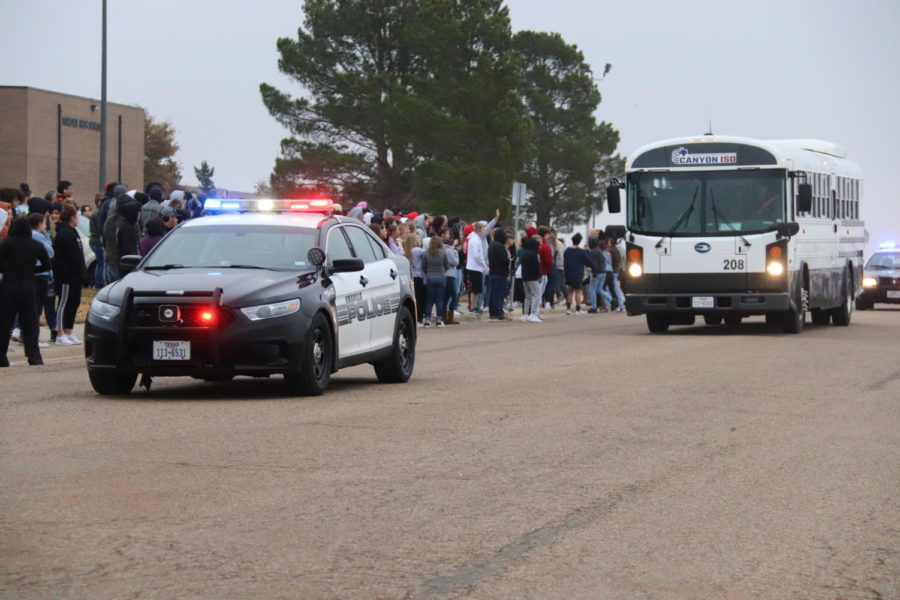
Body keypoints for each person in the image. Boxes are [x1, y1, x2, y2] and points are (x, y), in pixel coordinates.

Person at [0, 217, 52, 366]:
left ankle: (1, 357)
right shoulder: (36, 245)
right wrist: (33, 270)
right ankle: (34, 357)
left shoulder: (6, 244)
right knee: (30, 322)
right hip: (28, 285)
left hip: (8, 285)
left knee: (5, 322)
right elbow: (47, 265)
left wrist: (8, 270)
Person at [53, 205, 86, 346]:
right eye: (76, 216)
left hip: (75, 276)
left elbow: (78, 254)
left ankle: (69, 330)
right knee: (64, 303)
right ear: (72, 217)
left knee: (74, 302)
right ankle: (59, 333)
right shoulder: (64, 233)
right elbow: (70, 256)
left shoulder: (73, 232)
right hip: (66, 276)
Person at [421, 235, 449, 327]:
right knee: (439, 300)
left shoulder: (426, 253)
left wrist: (428, 272)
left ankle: (427, 320)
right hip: (441, 276)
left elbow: (423, 266)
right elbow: (447, 266)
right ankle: (439, 320)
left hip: (430, 277)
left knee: (429, 300)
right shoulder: (443, 253)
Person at [487, 228, 512, 322]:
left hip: (492, 272)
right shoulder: (500, 246)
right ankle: (499, 313)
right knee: (499, 294)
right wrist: (508, 258)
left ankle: (492, 313)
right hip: (500, 273)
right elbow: (503, 260)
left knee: (493, 294)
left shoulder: (492, 245)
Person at [563, 233, 590, 315]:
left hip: (568, 273)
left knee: (570, 291)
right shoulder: (581, 252)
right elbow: (587, 261)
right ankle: (578, 309)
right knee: (578, 291)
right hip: (578, 273)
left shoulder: (567, 251)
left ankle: (568, 309)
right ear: (580, 241)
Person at [586, 237, 613, 313]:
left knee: (592, 290)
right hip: (603, 272)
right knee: (599, 289)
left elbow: (594, 265)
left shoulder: (593, 252)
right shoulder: (599, 250)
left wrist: (594, 275)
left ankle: (594, 307)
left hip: (596, 273)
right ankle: (611, 300)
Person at [519, 235, 542, 322]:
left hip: (524, 277)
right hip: (533, 277)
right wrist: (539, 275)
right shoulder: (534, 254)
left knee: (527, 296)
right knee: (537, 295)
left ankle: (525, 315)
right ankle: (533, 314)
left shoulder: (524, 253)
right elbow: (537, 267)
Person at [441, 227, 460, 325]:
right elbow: (455, 262)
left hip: (445, 275)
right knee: (454, 296)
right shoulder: (450, 250)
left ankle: (444, 316)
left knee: (446, 297)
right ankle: (450, 315)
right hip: (450, 275)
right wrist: (456, 252)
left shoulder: (443, 249)